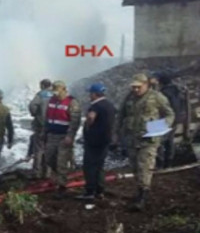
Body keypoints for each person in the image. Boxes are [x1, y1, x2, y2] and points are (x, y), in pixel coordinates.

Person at [115, 73, 174, 211]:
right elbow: (121, 115)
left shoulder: (157, 97)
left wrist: (161, 126)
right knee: (135, 167)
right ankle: (139, 191)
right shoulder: (129, 97)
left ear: (146, 85)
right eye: (134, 87)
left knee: (145, 167)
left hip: (149, 139)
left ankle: (143, 196)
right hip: (132, 138)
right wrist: (116, 133)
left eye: (138, 87)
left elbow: (170, 114)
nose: (135, 90)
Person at [77, 83, 116, 200]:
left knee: (89, 166)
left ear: (94, 94)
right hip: (105, 140)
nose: (89, 96)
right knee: (100, 166)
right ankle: (100, 191)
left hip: (94, 141)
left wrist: (87, 127)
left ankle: (90, 191)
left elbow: (90, 118)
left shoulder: (95, 106)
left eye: (90, 93)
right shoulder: (110, 105)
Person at [43, 80, 82, 198]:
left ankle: (62, 186)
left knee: (61, 161)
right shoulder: (51, 101)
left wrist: (70, 136)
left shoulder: (72, 102)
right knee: (49, 158)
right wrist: (45, 132)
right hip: (52, 135)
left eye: (57, 92)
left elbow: (75, 122)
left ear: (64, 90)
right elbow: (47, 117)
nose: (55, 94)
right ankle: (61, 175)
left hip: (63, 137)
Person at [157, 73, 185, 168]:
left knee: (159, 140)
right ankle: (169, 161)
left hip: (165, 119)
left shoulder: (163, 93)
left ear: (161, 82)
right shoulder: (177, 91)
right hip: (176, 119)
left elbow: (161, 108)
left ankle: (160, 162)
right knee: (170, 140)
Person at [27, 78, 52, 179]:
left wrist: (35, 114)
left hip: (41, 125)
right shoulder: (54, 96)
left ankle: (36, 172)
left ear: (42, 85)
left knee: (38, 149)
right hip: (52, 127)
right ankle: (47, 173)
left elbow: (32, 105)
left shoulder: (40, 95)